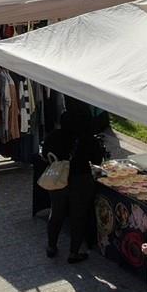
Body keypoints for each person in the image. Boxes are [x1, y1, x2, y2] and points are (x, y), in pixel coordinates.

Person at [45, 111, 100, 264]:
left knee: (56, 213)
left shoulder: (53, 136)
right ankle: (73, 252)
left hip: (58, 179)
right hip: (81, 179)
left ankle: (51, 246)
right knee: (78, 216)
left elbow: (45, 154)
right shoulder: (86, 139)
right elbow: (97, 159)